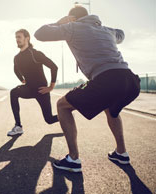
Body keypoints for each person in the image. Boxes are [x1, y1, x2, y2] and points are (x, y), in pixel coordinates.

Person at [34, 6, 140, 172]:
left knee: (62, 105)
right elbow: (122, 34)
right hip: (131, 80)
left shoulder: (72, 27)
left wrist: (59, 22)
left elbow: (39, 34)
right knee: (111, 109)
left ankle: (73, 159)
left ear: (72, 18)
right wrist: (101, 27)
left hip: (106, 79)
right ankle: (121, 153)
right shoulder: (106, 30)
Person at [7, 29, 58, 136]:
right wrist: (22, 80)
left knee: (49, 119)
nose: (17, 39)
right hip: (29, 89)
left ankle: (66, 117)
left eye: (19, 37)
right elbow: (16, 70)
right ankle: (18, 126)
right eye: (16, 37)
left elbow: (54, 67)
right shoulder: (17, 58)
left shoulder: (35, 54)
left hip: (41, 90)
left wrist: (50, 87)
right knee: (13, 92)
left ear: (27, 38)